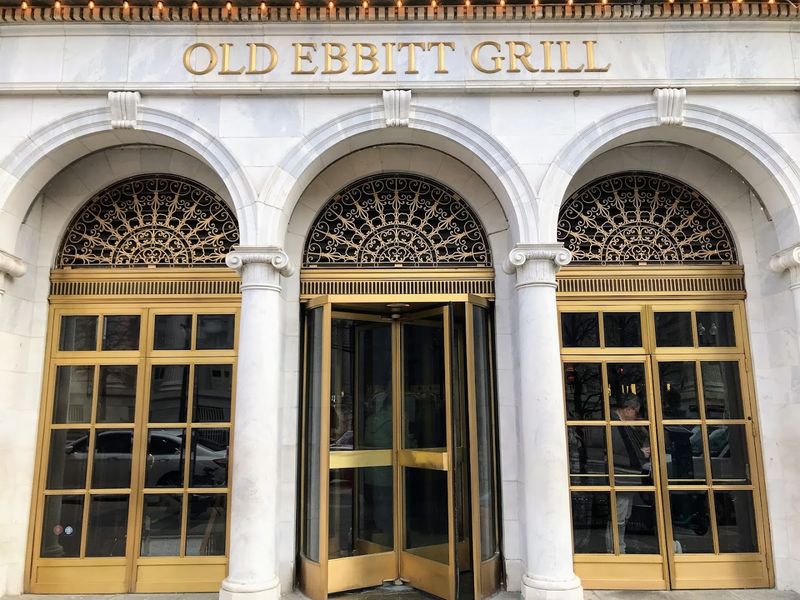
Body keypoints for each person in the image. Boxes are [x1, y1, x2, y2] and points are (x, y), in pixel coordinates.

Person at [609, 397, 651, 553]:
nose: (636, 416)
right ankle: (618, 547)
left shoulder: (624, 424)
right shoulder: (615, 424)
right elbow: (618, 448)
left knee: (625, 511)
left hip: (627, 474)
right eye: (635, 412)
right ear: (628, 409)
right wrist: (640, 453)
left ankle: (619, 545)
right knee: (620, 512)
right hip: (622, 474)